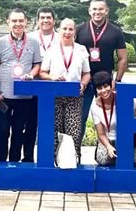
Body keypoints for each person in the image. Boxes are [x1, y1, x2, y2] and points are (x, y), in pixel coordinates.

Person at [0, 8, 41, 163]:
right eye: (14, 21)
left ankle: (14, 165)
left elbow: (37, 65)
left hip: (24, 95)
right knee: (3, 131)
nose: (17, 24)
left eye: (20, 21)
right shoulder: (0, 42)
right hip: (4, 95)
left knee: (18, 131)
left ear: (26, 22)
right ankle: (0, 164)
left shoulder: (33, 42)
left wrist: (31, 74)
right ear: (8, 22)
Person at [75, 0, 128, 143]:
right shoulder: (79, 30)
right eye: (94, 9)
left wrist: (117, 80)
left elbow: (122, 58)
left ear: (106, 11)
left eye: (100, 9)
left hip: (105, 83)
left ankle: (110, 152)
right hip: (84, 82)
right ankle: (75, 154)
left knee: (110, 118)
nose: (97, 12)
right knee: (79, 119)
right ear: (89, 10)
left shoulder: (116, 31)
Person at [39, 18, 91, 165]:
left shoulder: (81, 49)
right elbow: (43, 72)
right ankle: (54, 162)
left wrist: (84, 83)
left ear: (75, 31)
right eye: (64, 29)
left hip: (74, 97)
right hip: (54, 96)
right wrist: (52, 77)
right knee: (54, 131)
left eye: (70, 29)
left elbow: (87, 73)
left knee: (73, 132)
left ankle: (73, 162)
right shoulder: (52, 49)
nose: (67, 32)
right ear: (59, 30)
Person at [91, 71, 136, 167]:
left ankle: (122, 157)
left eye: (106, 86)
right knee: (102, 159)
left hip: (127, 139)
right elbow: (101, 134)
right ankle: (116, 156)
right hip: (108, 140)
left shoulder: (124, 98)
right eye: (99, 88)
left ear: (111, 85)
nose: (103, 90)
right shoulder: (94, 106)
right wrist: (108, 147)